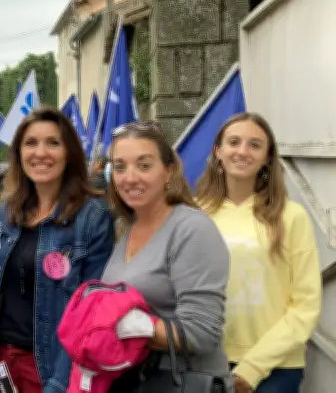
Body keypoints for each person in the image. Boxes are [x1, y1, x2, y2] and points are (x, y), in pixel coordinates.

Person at [0, 106, 115, 393]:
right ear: (19, 154)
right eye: (30, 143)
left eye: (52, 142)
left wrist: (59, 383)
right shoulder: (8, 212)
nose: (40, 153)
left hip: (50, 366)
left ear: (69, 151)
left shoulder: (92, 216)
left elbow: (91, 315)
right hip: (1, 359)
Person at [100, 121, 232, 392]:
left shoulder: (191, 229)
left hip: (184, 382)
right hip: (137, 380)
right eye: (120, 167)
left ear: (169, 171)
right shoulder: (124, 228)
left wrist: (117, 325)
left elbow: (201, 332)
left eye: (144, 165)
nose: (130, 177)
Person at [196, 113, 322, 393]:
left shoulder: (291, 216)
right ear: (218, 151)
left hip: (275, 370)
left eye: (254, 145)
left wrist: (252, 368)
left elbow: (306, 304)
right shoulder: (195, 214)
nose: (242, 151)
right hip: (205, 364)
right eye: (234, 142)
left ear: (267, 157)